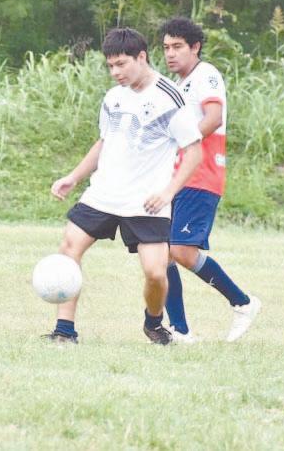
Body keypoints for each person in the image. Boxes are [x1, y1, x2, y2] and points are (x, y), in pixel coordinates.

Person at [46, 27, 203, 345]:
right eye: (110, 66)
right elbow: (104, 142)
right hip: (103, 194)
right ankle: (64, 330)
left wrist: (168, 192)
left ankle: (154, 323)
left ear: (141, 57)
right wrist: (74, 177)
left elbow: (194, 152)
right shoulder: (113, 97)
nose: (115, 72)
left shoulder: (170, 97)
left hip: (145, 201)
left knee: (156, 273)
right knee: (68, 249)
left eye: (121, 64)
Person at [158, 17, 261, 343]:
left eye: (177, 47)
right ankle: (180, 330)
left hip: (201, 175)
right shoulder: (176, 86)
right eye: (166, 47)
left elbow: (213, 118)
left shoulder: (206, 75)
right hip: (176, 176)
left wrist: (182, 144)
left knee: (182, 251)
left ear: (195, 47)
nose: (170, 53)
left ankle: (243, 303)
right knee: (162, 251)